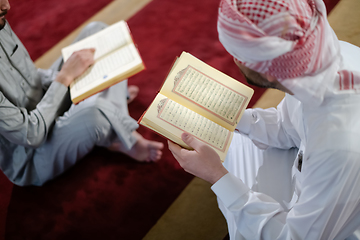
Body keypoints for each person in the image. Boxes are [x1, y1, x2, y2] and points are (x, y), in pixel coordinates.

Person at [168, 0, 360, 239]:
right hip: (311, 171)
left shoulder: (339, 147)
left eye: (235, 54)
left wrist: (216, 176)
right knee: (230, 140)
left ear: (267, 70)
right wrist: (231, 117)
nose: (234, 60)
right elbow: (288, 126)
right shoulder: (315, 55)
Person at [0, 0, 163, 186]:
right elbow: (31, 135)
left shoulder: (0, 21)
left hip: (47, 101)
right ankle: (122, 135)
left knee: (99, 32)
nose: (6, 6)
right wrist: (65, 78)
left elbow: (28, 74)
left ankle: (109, 116)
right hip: (34, 154)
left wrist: (74, 81)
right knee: (94, 112)